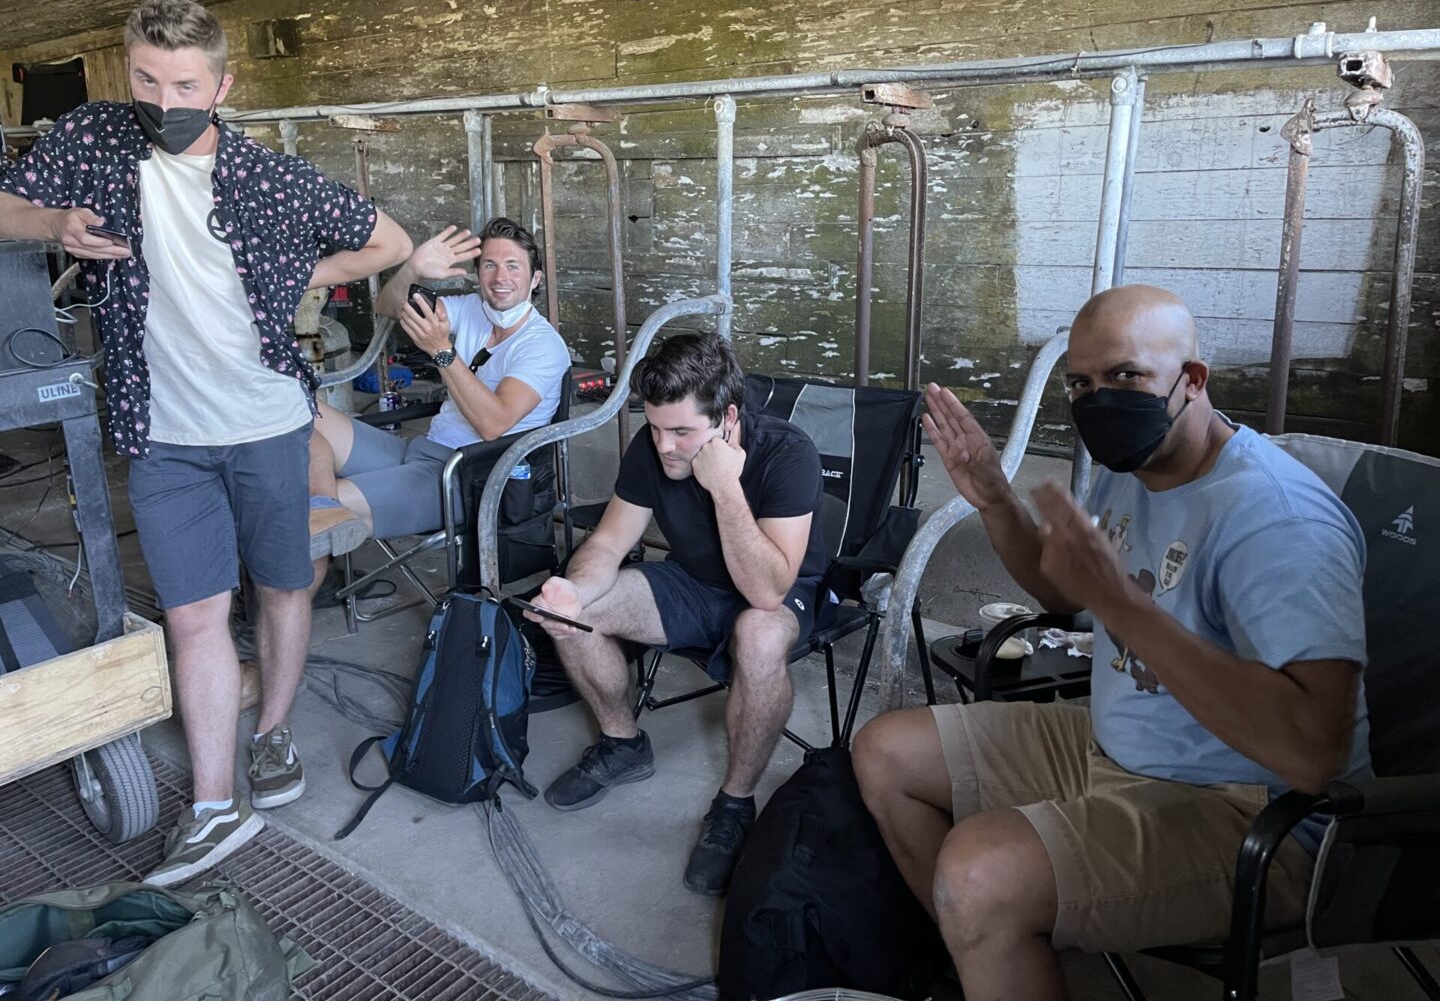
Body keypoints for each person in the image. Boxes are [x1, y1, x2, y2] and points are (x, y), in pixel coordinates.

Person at [853, 285, 1370, 1000]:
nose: (1100, 400)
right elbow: (1068, 596)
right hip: (1117, 743)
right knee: (885, 753)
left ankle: (994, 931)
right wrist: (997, 501)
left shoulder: (1275, 519)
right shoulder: (1138, 471)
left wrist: (1126, 608)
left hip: (1250, 809)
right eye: (1081, 383)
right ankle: (992, 956)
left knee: (978, 872)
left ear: (1192, 381)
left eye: (1126, 376)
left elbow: (1314, 753)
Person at [0, 0, 413, 885]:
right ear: (125, 72)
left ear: (221, 84)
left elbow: (390, 240)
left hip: (267, 422)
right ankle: (215, 806)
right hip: (162, 434)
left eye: (185, 83)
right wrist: (52, 225)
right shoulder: (94, 137)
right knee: (192, 614)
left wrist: (299, 271)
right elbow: (4, 207)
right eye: (146, 78)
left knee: (282, 587)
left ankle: (271, 738)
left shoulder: (270, 178)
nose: (163, 98)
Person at [526, 332, 827, 896]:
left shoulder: (789, 453)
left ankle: (735, 804)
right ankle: (622, 744)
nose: (664, 445)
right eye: (657, 427)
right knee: (576, 609)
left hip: (779, 592)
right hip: (693, 585)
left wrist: (726, 489)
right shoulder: (652, 446)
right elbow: (609, 545)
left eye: (683, 432)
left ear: (727, 418)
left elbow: (768, 589)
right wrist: (573, 591)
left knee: (759, 634)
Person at [306, 217, 569, 566]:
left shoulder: (543, 346)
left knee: (299, 510)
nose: (500, 278)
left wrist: (442, 351)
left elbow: (493, 425)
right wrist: (412, 268)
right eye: (489, 265)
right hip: (422, 451)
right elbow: (387, 305)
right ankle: (320, 506)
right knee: (300, 409)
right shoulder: (474, 308)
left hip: (464, 478)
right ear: (478, 272)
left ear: (535, 278)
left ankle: (316, 517)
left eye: (513, 266)